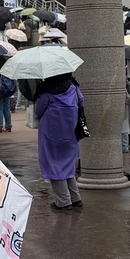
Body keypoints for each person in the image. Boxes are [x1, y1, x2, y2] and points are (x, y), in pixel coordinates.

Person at [35, 73, 83, 210]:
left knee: (54, 165)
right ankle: (75, 197)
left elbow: (38, 111)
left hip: (51, 133)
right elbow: (81, 101)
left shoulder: (47, 92)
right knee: (68, 164)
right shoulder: (74, 88)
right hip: (71, 131)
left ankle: (63, 201)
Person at [0, 62, 16, 134]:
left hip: (0, 91)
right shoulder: (9, 70)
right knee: (7, 108)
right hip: (7, 91)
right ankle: (8, 125)